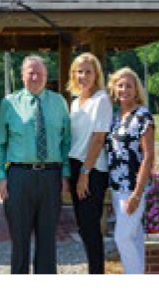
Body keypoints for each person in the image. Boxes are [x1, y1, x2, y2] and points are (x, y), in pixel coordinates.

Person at [0, 57, 71, 275]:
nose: (35, 77)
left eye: (39, 73)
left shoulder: (59, 102)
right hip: (19, 177)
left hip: (51, 176)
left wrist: (65, 174)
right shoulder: (9, 103)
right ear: (22, 76)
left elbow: (66, 142)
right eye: (30, 73)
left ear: (46, 76)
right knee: (20, 242)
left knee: (47, 242)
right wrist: (1, 177)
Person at [65, 53, 112, 274]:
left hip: (91, 169)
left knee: (91, 227)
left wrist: (84, 173)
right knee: (83, 226)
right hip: (76, 166)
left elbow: (98, 138)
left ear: (97, 74)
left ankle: (97, 273)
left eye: (88, 71)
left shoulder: (101, 99)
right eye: (79, 71)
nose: (83, 76)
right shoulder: (75, 102)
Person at [105, 69, 154, 277]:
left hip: (133, 187)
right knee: (133, 238)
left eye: (129, 86)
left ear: (136, 90)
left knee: (122, 237)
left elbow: (149, 156)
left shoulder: (143, 116)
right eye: (120, 85)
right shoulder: (115, 117)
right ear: (114, 89)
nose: (124, 89)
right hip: (116, 187)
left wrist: (136, 193)